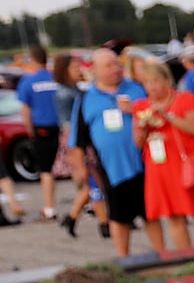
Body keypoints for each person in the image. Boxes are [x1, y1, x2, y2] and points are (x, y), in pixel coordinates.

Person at [132, 56, 194, 250]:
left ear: (167, 80)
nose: (152, 87)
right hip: (161, 168)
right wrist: (143, 127)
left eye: (155, 81)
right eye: (147, 82)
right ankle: (188, 262)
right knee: (174, 218)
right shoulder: (141, 106)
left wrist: (168, 116)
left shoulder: (185, 99)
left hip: (190, 166)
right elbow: (138, 142)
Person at [69, 47, 147, 255]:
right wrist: (79, 169)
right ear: (95, 70)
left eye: (117, 64)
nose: (116, 69)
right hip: (113, 169)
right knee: (119, 216)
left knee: (152, 214)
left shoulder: (137, 89)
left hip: (147, 164)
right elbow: (77, 139)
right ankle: (124, 259)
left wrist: (136, 110)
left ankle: (163, 256)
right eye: (109, 66)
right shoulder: (86, 98)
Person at [51, 52, 103, 238]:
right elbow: (71, 124)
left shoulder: (75, 90)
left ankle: (77, 218)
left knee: (95, 181)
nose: (78, 70)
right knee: (93, 181)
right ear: (65, 70)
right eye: (74, 68)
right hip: (75, 140)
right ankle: (99, 222)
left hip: (79, 138)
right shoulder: (65, 93)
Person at [15, 44, 61, 221]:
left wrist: (29, 131)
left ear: (33, 60)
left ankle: (49, 208)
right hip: (59, 127)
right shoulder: (55, 78)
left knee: (46, 170)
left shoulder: (28, 82)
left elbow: (25, 110)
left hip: (41, 128)